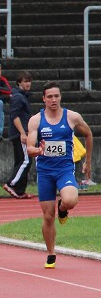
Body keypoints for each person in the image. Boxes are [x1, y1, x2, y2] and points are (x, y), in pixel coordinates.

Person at [26, 82, 93, 269]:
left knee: (71, 200)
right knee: (48, 217)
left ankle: (63, 208)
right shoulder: (36, 120)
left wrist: (88, 161)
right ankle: (51, 253)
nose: (53, 100)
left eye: (56, 96)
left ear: (60, 97)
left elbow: (88, 134)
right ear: (44, 99)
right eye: (50, 97)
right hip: (45, 173)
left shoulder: (72, 117)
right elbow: (29, 148)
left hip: (64, 170)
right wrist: (38, 150)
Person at [4, 72, 33, 199]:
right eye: (25, 81)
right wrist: (22, 133)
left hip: (19, 133)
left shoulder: (22, 96)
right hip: (20, 134)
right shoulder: (18, 97)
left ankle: (20, 190)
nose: (27, 83)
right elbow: (14, 116)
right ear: (19, 83)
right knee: (26, 160)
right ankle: (11, 183)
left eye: (29, 81)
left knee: (21, 160)